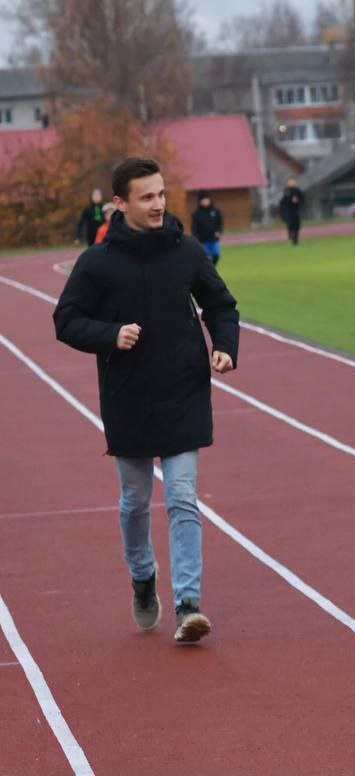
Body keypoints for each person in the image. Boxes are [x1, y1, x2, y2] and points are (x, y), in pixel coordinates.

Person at [52, 157, 240, 645]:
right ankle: (142, 579)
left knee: (181, 496)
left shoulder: (186, 251)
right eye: (147, 197)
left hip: (183, 390)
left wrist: (224, 346)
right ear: (121, 203)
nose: (158, 204)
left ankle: (188, 605)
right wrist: (110, 334)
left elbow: (222, 305)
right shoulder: (97, 263)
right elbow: (66, 321)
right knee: (135, 502)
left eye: (161, 194)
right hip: (128, 396)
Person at [191, 190, 224, 266]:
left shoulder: (215, 211)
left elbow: (220, 223)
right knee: (205, 258)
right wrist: (196, 237)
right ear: (200, 201)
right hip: (202, 240)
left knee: (216, 255)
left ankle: (211, 269)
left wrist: (219, 231)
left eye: (207, 199)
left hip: (213, 239)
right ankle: (207, 272)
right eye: (204, 200)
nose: (206, 201)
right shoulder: (196, 214)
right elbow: (194, 227)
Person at [279, 177, 304, 245]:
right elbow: (284, 200)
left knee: (297, 225)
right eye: (290, 182)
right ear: (288, 183)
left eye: (293, 182)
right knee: (290, 225)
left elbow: (302, 198)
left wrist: (298, 200)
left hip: (296, 211)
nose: (292, 183)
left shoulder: (298, 190)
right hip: (288, 210)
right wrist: (291, 200)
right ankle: (290, 237)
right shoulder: (286, 190)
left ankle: (295, 240)